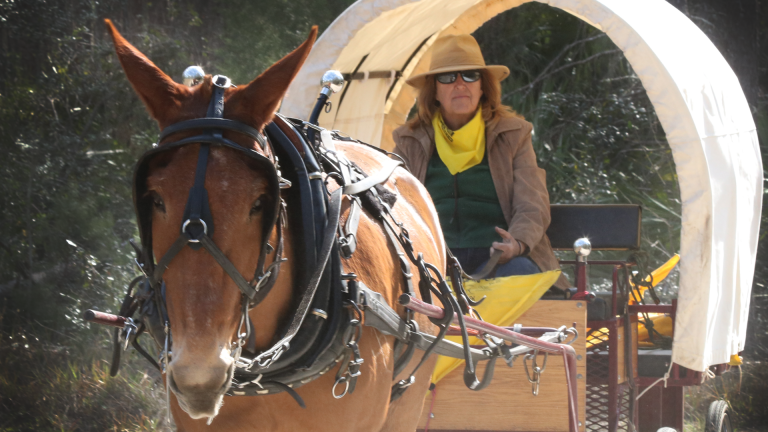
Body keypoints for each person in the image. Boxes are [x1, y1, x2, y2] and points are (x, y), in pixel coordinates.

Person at [393, 34, 568, 289]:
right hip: (434, 258)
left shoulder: (513, 134)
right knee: (399, 286)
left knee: (520, 275)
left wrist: (517, 243)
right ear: (435, 91)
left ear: (482, 86)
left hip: (500, 257)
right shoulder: (409, 141)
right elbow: (392, 201)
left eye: (470, 75)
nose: (460, 84)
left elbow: (533, 204)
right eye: (448, 77)